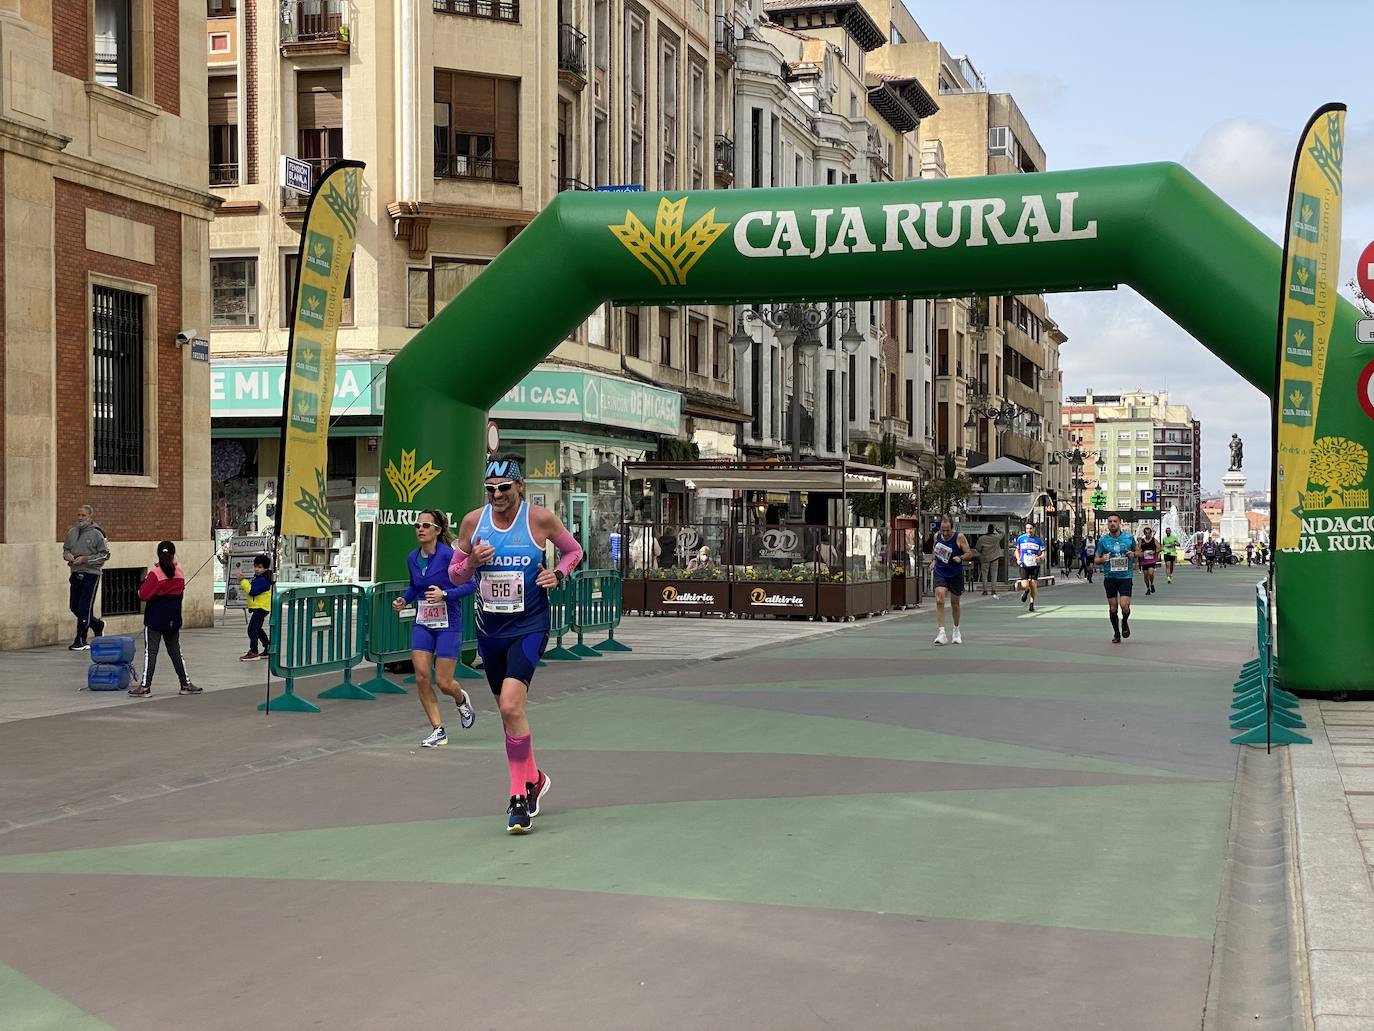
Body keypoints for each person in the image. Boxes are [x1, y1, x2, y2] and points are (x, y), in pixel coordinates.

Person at [449, 456, 584, 834]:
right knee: (509, 713)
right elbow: (454, 572)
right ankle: (536, 779)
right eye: (490, 490)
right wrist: (472, 561)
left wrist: (558, 573)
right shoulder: (474, 523)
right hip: (491, 630)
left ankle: (517, 798)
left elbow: (574, 551)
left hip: (530, 624)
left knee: (510, 704)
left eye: (504, 489)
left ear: (519, 486)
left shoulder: (539, 519)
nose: (497, 496)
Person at [395, 509, 478, 748]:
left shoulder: (448, 555)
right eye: (417, 526)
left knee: (443, 682)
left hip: (448, 623)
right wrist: (404, 600)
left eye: (426, 526)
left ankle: (461, 699)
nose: (420, 529)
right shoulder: (412, 558)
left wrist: (445, 594)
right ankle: (438, 730)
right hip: (423, 622)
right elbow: (414, 586)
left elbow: (470, 585)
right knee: (421, 676)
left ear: (438, 530)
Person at [130, 541, 199, 696]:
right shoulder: (179, 572)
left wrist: (146, 580)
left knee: (151, 653)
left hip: (154, 619)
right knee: (176, 652)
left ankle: (145, 687)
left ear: (158, 554)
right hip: (173, 619)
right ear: (173, 554)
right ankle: (185, 684)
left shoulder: (155, 574)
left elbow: (143, 595)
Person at [62, 504, 109, 651]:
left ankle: (81, 640)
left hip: (91, 574)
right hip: (75, 573)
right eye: (79, 515)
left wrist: (85, 559)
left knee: (84, 607)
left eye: (83, 516)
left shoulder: (97, 533)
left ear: (90, 517)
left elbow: (105, 555)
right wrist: (67, 555)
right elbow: (66, 549)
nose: (80, 518)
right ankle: (97, 625)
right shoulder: (72, 532)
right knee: (74, 606)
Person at [1094, 514, 1139, 644]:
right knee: (1113, 608)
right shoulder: (1103, 540)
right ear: (1107, 524)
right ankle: (1116, 632)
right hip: (1110, 577)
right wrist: (1102, 559)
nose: (1112, 524)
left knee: (1124, 606)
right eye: (1109, 522)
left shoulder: (1129, 537)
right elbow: (1096, 559)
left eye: (1115, 521)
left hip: (1125, 576)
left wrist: (1133, 554)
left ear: (1119, 523)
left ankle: (1124, 622)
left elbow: (1138, 552)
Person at [929, 515, 972, 645]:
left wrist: (961, 557)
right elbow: (935, 551)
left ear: (952, 528)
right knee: (939, 598)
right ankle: (941, 632)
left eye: (947, 530)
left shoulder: (959, 537)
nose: (945, 533)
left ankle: (956, 630)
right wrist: (933, 561)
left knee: (955, 603)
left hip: (955, 573)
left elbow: (969, 553)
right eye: (943, 530)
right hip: (941, 571)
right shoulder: (937, 536)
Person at [239, 554, 274, 661]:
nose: (257, 569)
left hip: (261, 608)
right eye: (256, 567)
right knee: (257, 628)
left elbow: (252, 591)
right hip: (261, 607)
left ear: (266, 568)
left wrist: (243, 581)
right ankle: (268, 647)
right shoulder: (260, 577)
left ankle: (254, 651)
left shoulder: (263, 579)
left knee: (252, 629)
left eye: (260, 567)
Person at [1013, 521, 1046, 613]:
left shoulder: (1039, 540)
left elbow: (1044, 552)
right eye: (1027, 528)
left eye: (1031, 528)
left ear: (1034, 529)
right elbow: (1017, 550)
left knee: (1033, 584)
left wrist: (1040, 557)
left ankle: (1032, 604)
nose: (1029, 530)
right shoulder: (1020, 539)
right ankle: (1026, 591)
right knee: (1025, 585)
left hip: (1035, 565)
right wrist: (1018, 558)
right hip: (1024, 565)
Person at [975, 524, 1004, 597]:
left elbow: (977, 548)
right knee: (994, 575)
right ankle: (993, 590)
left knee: (984, 575)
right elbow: (1003, 533)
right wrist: (997, 529)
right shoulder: (996, 537)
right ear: (993, 530)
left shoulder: (982, 538)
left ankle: (985, 591)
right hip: (995, 558)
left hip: (985, 558)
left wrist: (982, 552)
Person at [1138, 525, 1161, 595]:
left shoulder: (1154, 540)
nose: (1147, 534)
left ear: (1151, 533)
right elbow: (1138, 549)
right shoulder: (1142, 541)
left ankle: (1152, 584)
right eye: (1146, 533)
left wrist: (1155, 551)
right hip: (1144, 560)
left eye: (1149, 533)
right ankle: (1148, 588)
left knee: (1150, 573)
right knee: (1145, 575)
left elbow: (1159, 548)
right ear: (1144, 533)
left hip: (1151, 560)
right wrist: (1140, 551)